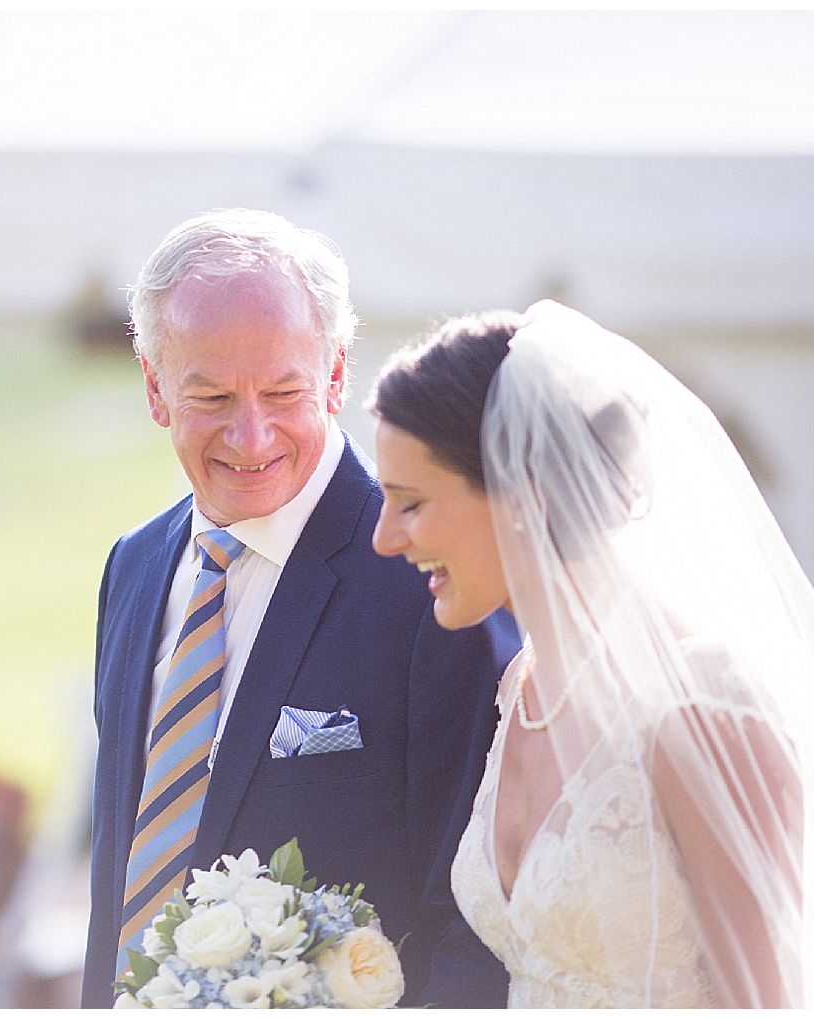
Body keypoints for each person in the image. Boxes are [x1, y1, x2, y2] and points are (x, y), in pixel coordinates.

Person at [368, 299, 814, 1007]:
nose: (384, 538)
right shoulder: (524, 683)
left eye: (412, 502)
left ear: (524, 490)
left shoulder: (702, 702)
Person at [81, 209, 519, 1008]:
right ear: (154, 386)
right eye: (210, 395)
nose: (251, 437)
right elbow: (117, 876)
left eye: (283, 391)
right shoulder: (133, 567)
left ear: (337, 374)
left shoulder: (431, 580)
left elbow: (473, 923)